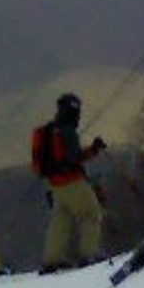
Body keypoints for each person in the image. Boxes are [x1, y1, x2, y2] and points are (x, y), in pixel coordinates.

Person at [32, 93, 108, 273]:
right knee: (91, 213)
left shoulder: (49, 130)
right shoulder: (67, 130)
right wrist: (94, 149)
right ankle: (89, 254)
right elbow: (75, 158)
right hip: (72, 182)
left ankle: (52, 260)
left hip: (55, 185)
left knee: (61, 220)